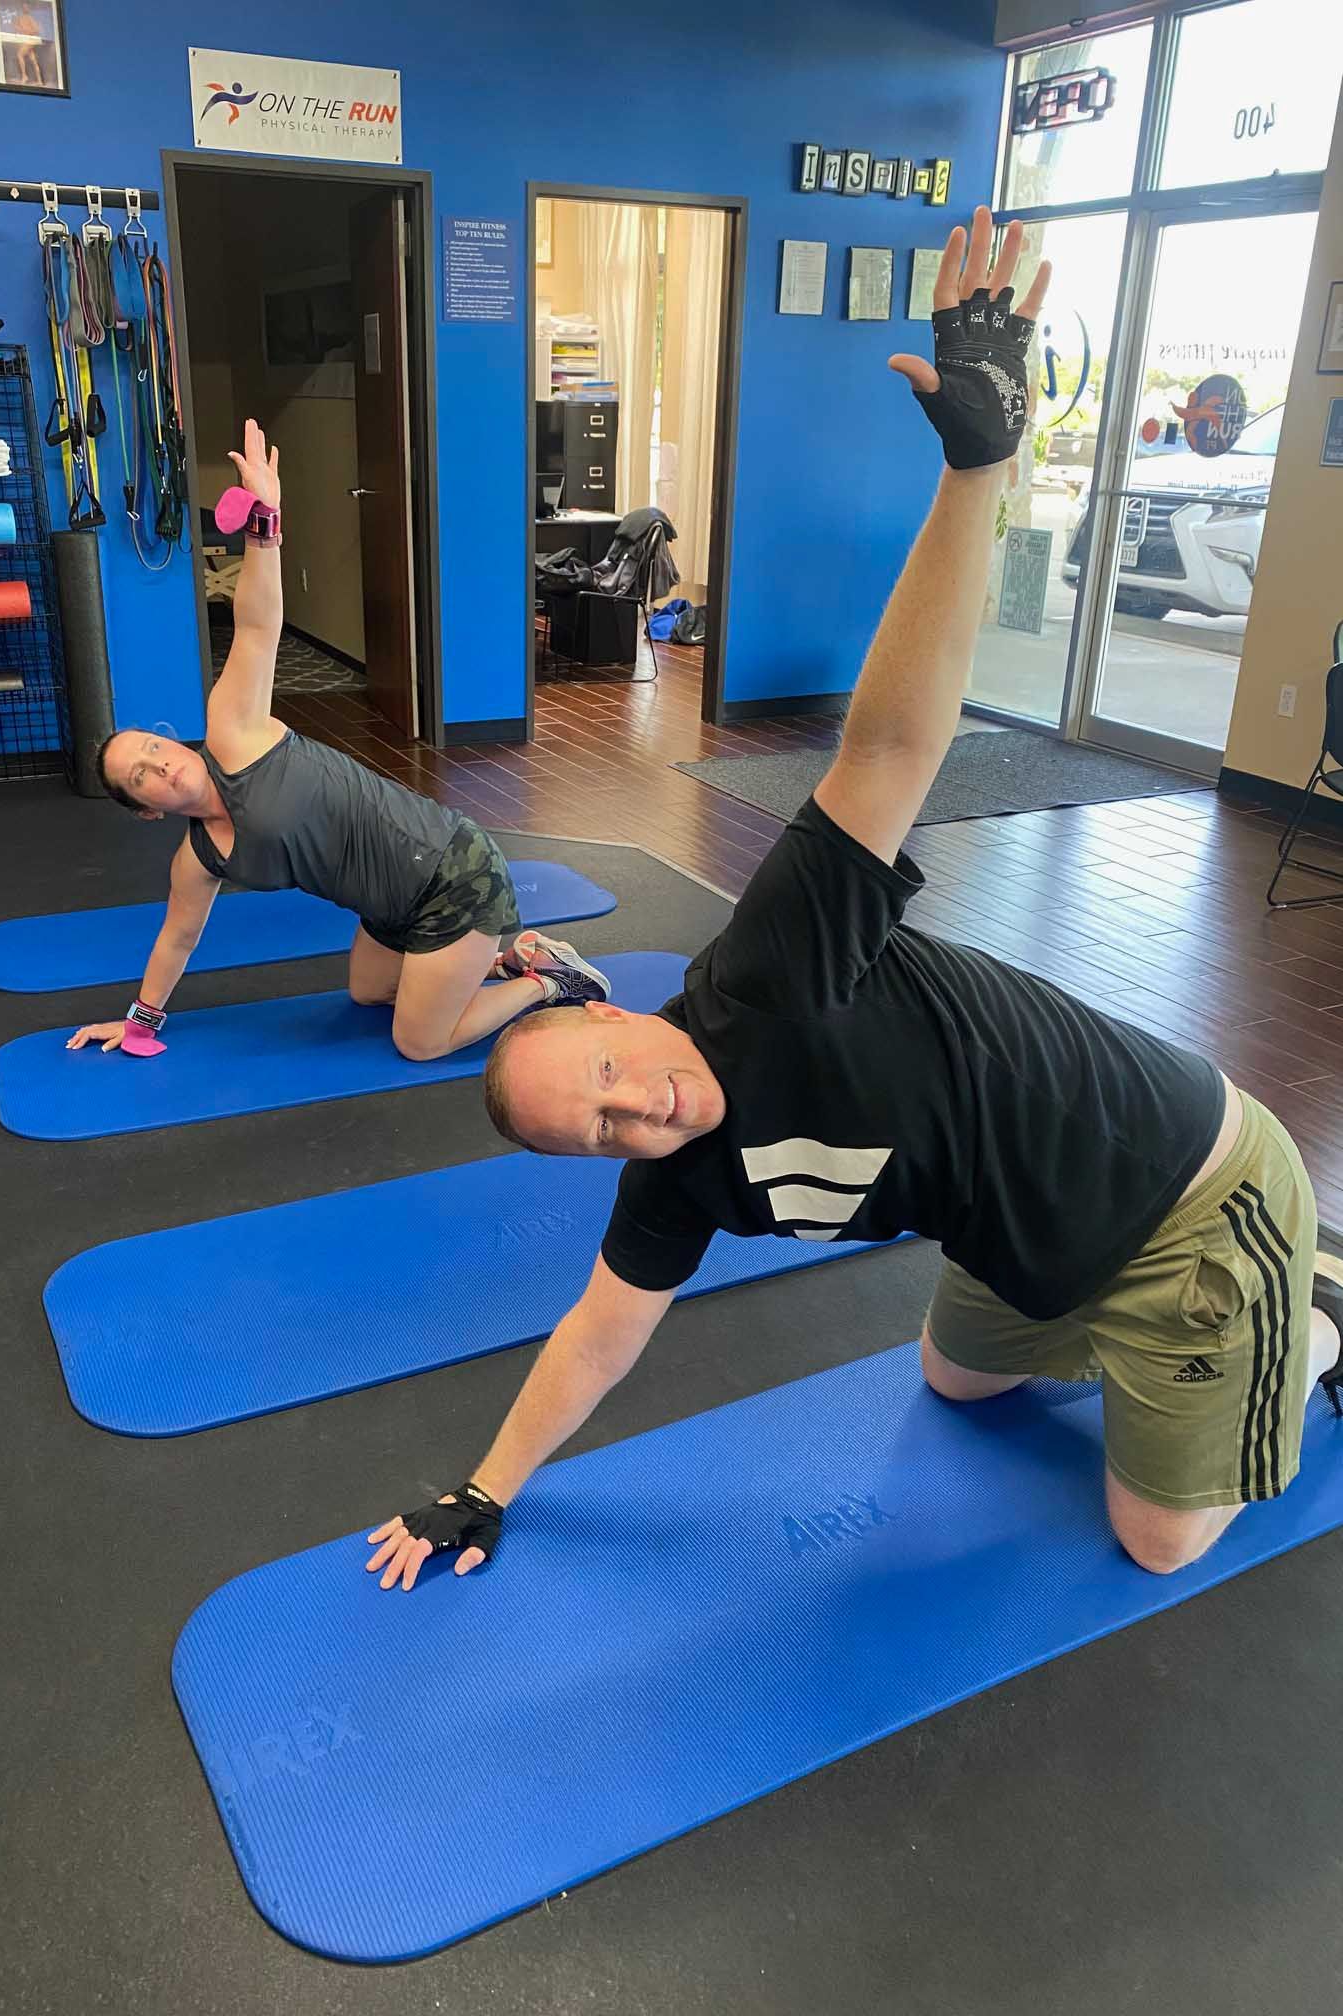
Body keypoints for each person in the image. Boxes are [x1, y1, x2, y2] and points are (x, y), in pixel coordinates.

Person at [366, 207, 1343, 1593]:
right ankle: (1147, 1360)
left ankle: (1302, 1331)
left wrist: (979, 471)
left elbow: (889, 749)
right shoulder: (675, 1173)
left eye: (607, 1075)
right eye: (599, 1134)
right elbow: (600, 1329)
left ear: (618, 1012)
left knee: (1157, 1540)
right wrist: (483, 1490)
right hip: (1027, 1236)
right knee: (954, 1385)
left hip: (1179, 1186)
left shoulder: (769, 974)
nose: (636, 1111)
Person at [70, 420, 607, 1065]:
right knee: (366, 993)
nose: (160, 764)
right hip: (389, 908)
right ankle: (496, 960)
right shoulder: (199, 860)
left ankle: (549, 981)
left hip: (451, 873)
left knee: (419, 1041)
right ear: (148, 810)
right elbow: (176, 941)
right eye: (140, 777)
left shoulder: (235, 733)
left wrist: (265, 519)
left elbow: (258, 624)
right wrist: (136, 1025)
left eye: (153, 748)